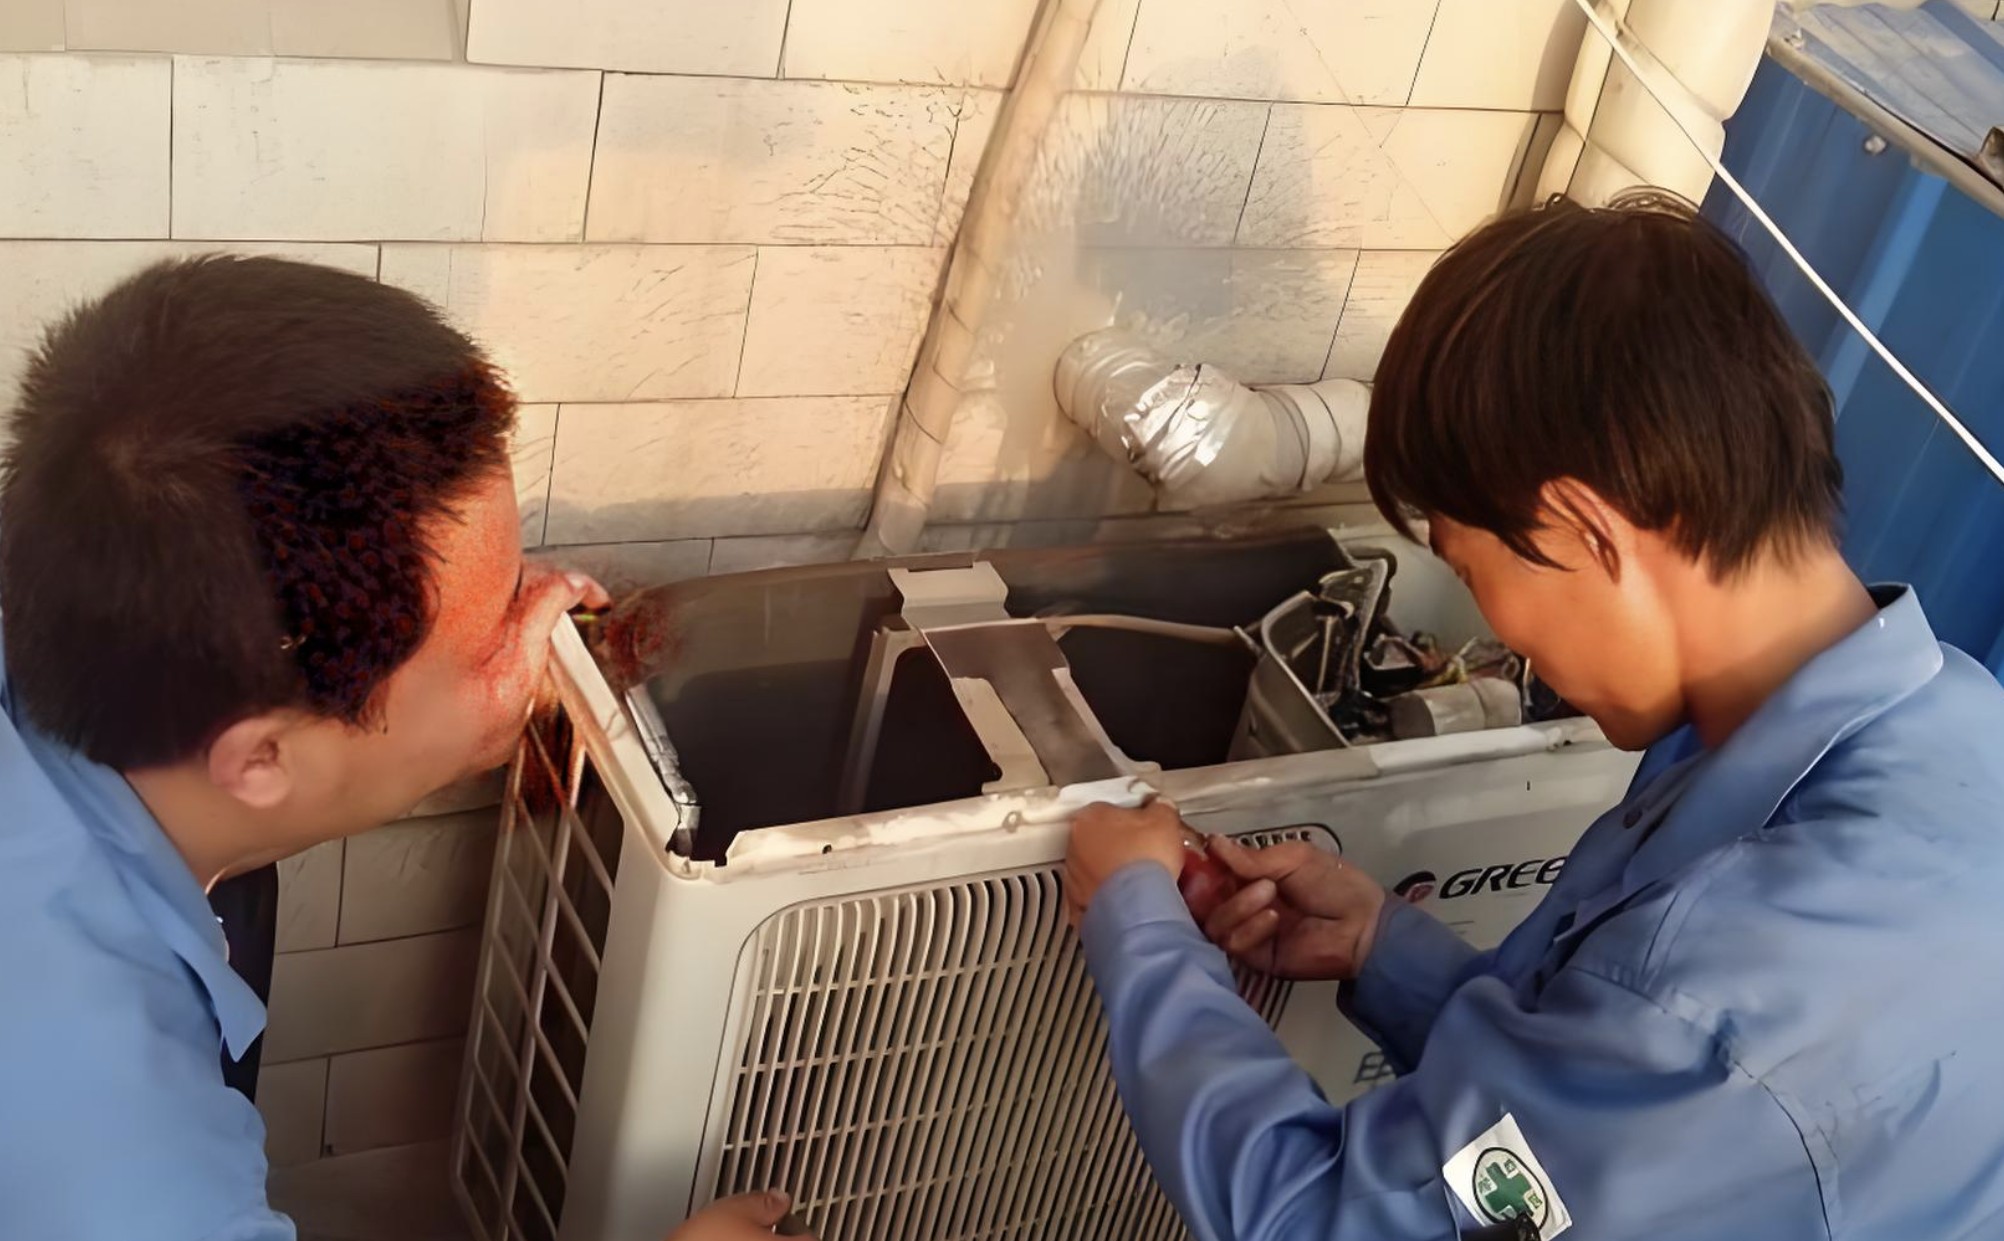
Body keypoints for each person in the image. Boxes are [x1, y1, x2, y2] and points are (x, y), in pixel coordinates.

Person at [1064, 192, 2004, 1240]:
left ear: (1582, 527)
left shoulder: (1716, 987)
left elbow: (1313, 1218)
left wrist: (1137, 924)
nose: (1497, 630)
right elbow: (1603, 1132)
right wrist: (1380, 945)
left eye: (1474, 572)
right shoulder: (1958, 723)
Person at [0, 257, 803, 1241]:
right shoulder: (136, 1175)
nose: (546, 615)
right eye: (493, 629)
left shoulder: (85, 619)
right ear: (262, 758)